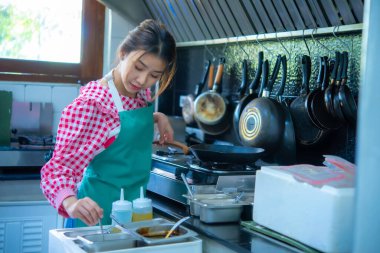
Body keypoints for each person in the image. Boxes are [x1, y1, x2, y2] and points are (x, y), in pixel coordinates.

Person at [40, 19, 176, 227]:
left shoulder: (139, 94)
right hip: (95, 218)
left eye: (153, 75)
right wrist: (71, 204)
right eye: (138, 67)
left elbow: (116, 130)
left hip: (134, 216)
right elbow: (58, 169)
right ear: (123, 53)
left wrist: (157, 117)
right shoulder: (94, 104)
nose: (141, 80)